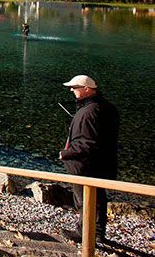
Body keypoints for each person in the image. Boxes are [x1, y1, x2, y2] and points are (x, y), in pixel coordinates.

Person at [59, 74, 119, 243]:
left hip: (85, 166)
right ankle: (97, 233)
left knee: (84, 200)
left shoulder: (89, 112)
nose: (72, 90)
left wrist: (66, 154)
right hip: (102, 163)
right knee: (97, 199)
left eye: (75, 87)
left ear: (87, 89)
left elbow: (88, 143)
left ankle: (86, 234)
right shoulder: (106, 107)